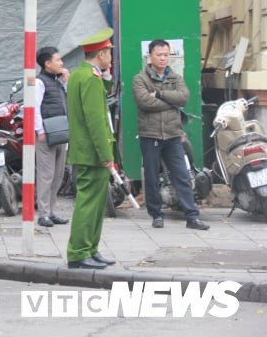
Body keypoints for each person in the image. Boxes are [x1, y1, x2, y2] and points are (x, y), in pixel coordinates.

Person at [132, 39, 209, 231]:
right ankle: (156, 215)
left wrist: (158, 94)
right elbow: (144, 103)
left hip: (173, 135)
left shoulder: (175, 77)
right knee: (151, 176)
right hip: (150, 135)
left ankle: (192, 216)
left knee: (182, 175)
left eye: (166, 54)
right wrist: (171, 101)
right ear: (150, 56)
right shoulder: (140, 79)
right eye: (159, 54)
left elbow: (183, 97)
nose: (163, 58)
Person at [65, 28, 117, 270]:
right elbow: (96, 120)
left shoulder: (78, 75)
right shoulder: (90, 79)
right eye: (109, 52)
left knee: (95, 205)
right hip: (93, 152)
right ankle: (78, 252)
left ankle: (90, 248)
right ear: (102, 53)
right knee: (88, 204)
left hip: (85, 150)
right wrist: (107, 155)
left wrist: (106, 79)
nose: (111, 57)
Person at [35, 46, 70, 228]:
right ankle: (43, 214)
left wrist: (66, 82)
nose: (61, 63)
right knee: (46, 175)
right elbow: (34, 108)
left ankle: (52, 211)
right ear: (47, 64)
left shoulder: (58, 81)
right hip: (46, 134)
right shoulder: (40, 82)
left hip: (61, 133)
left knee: (58, 175)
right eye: (58, 60)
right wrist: (40, 130)